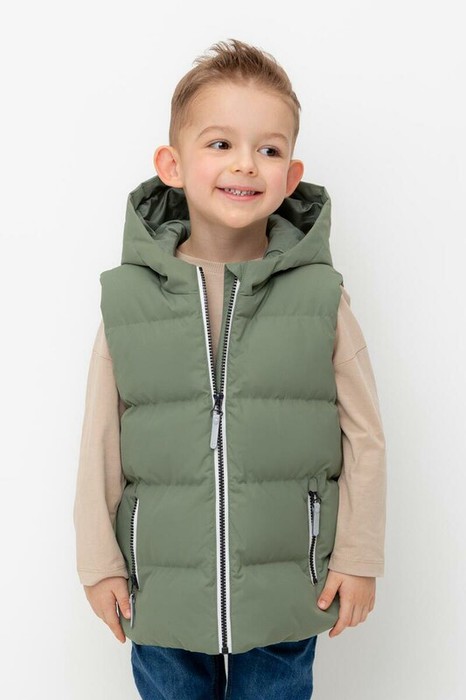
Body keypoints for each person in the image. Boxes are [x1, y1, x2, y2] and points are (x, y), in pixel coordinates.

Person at [73, 38, 387, 700]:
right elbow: (100, 438)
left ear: (291, 176)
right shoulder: (129, 301)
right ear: (173, 165)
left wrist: (359, 555)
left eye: (268, 149)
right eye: (220, 143)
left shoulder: (320, 297)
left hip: (289, 582)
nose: (245, 163)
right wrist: (99, 560)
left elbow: (364, 435)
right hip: (161, 586)